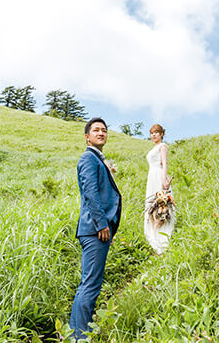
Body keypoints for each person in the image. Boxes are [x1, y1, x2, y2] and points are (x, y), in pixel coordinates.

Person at [69, 117, 122, 341]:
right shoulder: (88, 158)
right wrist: (102, 224)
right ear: (87, 137)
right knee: (90, 285)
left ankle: (79, 332)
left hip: (97, 229)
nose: (101, 133)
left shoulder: (97, 159)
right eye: (96, 130)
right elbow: (90, 193)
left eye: (104, 130)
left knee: (91, 283)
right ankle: (78, 337)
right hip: (94, 229)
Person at [143, 123, 175, 253]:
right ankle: (152, 227)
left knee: (160, 203)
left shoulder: (163, 146)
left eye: (156, 132)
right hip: (151, 176)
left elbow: (164, 163)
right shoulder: (154, 147)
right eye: (151, 133)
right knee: (152, 203)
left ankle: (162, 230)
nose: (153, 135)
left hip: (158, 174)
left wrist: (164, 179)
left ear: (161, 134)